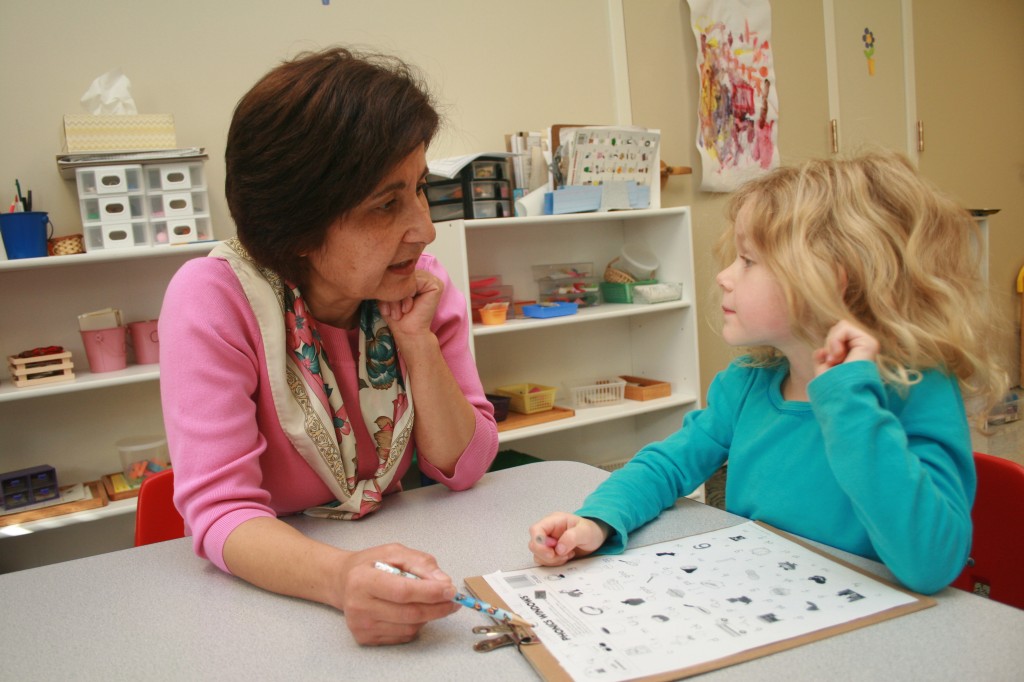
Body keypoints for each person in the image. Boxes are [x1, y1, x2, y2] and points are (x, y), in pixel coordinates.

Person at [528, 150, 1008, 595]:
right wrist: (598, 521)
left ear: (831, 277)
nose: (725, 275)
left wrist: (846, 400)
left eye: (749, 260)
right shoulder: (749, 382)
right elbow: (668, 465)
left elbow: (930, 563)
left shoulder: (917, 389)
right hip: (768, 603)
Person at [159, 47, 499, 645]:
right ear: (299, 228)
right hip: (263, 603)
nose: (424, 229)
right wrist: (342, 577)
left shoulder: (418, 285)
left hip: (385, 559)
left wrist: (415, 340)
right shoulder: (213, 299)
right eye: (386, 204)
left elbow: (462, 466)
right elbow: (222, 512)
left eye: (420, 189)